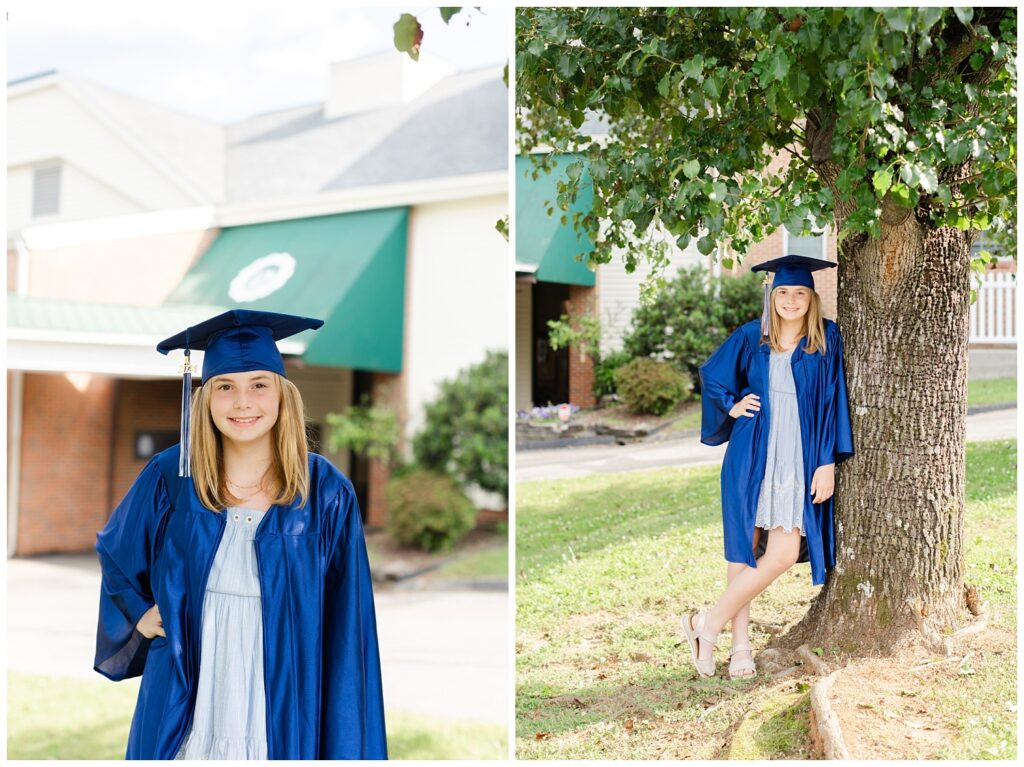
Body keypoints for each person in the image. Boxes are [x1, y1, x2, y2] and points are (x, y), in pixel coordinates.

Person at [93, 309, 388, 760]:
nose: (242, 402)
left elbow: (348, 625)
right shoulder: (172, 478)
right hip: (189, 692)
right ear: (206, 398)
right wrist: (138, 613)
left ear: (283, 396)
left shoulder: (325, 492)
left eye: (259, 385)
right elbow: (116, 552)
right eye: (225, 387)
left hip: (285, 702)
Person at [682, 255, 854, 680]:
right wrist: (732, 405)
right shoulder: (751, 338)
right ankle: (739, 648)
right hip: (753, 453)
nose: (791, 300)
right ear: (772, 296)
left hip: (800, 457)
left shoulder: (826, 339)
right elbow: (713, 376)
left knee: (779, 554)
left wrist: (827, 461)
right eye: (783, 293)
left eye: (799, 293)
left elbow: (834, 403)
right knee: (744, 548)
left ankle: (705, 624)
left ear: (811, 298)